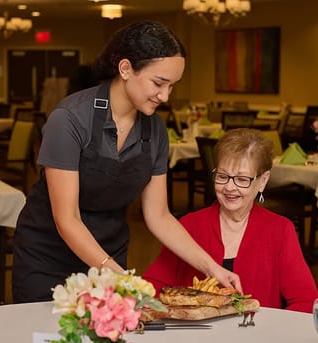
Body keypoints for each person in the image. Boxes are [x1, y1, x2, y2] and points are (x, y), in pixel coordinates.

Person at [12, 20, 241, 303]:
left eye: (172, 86)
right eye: (158, 83)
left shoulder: (155, 130)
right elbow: (67, 219)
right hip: (47, 256)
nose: (165, 96)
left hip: (111, 251)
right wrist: (118, 277)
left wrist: (212, 268)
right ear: (125, 69)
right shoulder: (70, 119)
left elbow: (159, 216)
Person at [143, 129, 318, 312]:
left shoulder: (280, 230)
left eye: (242, 179)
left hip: (256, 337)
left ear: (263, 181)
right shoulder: (189, 226)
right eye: (222, 176)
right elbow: (152, 288)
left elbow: (306, 302)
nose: (229, 187)